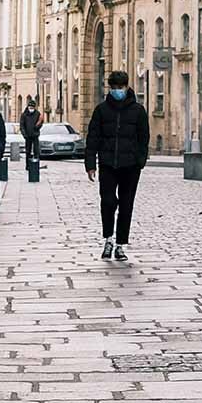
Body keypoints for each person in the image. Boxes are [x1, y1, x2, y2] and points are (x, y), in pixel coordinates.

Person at [85, 71, 150, 261]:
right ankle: (108, 239)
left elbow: (143, 137)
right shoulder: (101, 110)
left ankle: (121, 244)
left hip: (130, 166)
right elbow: (93, 138)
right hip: (107, 164)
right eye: (113, 88)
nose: (117, 91)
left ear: (127, 87)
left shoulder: (138, 111)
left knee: (126, 204)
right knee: (107, 202)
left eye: (119, 88)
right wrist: (90, 163)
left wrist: (140, 161)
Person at [20, 98, 44, 165]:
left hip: (35, 135)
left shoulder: (37, 114)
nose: (31, 108)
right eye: (30, 107)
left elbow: (41, 123)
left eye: (32, 107)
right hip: (27, 136)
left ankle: (36, 164)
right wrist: (24, 134)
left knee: (36, 151)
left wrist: (37, 127)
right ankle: (28, 165)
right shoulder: (24, 114)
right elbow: (22, 125)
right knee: (28, 151)